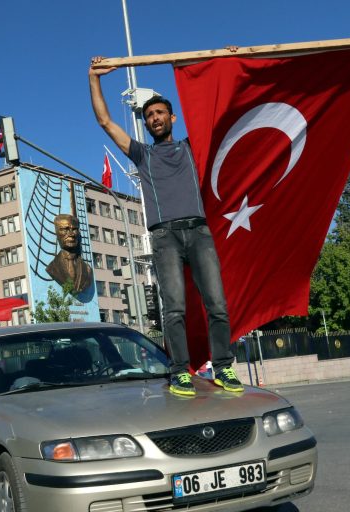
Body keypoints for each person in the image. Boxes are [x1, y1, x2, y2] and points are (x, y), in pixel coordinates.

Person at [89, 56, 243, 397]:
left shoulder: (191, 148)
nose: (154, 118)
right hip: (165, 237)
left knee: (217, 303)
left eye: (159, 113)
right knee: (174, 308)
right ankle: (180, 372)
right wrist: (94, 78)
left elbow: (224, 112)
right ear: (145, 124)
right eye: (148, 116)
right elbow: (104, 121)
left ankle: (224, 368)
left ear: (171, 118)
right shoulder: (142, 154)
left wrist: (228, 62)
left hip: (199, 232)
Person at [45, 213, 93, 294]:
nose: (71, 234)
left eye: (74, 229)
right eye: (65, 229)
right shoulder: (52, 268)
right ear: (56, 232)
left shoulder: (88, 270)